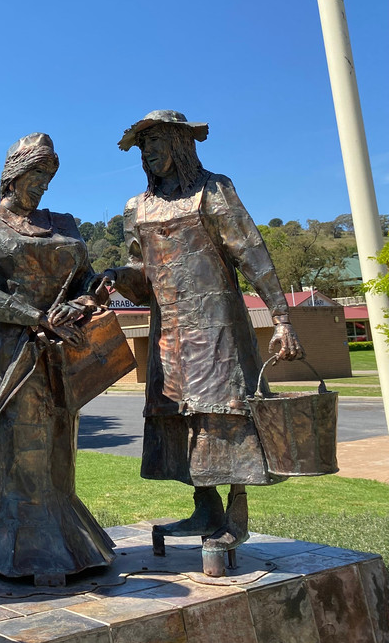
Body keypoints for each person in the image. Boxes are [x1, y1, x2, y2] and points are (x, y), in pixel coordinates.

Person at [108, 110, 303, 571]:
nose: (149, 152)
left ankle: (236, 513)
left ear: (181, 143)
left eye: (156, 141)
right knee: (182, 416)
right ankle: (204, 507)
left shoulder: (213, 189)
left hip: (217, 325)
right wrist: (117, 277)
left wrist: (282, 317)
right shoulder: (139, 207)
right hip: (169, 331)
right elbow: (143, 278)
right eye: (143, 146)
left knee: (226, 411)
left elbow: (252, 252)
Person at [0, 133, 116, 581]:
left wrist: (87, 298)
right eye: (35, 174)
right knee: (13, 453)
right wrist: (33, 316)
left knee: (58, 449)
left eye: (48, 176)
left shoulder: (64, 223)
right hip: (5, 357)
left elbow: (85, 281)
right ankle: (15, 551)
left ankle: (65, 544)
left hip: (59, 353)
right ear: (12, 174)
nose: (42, 184)